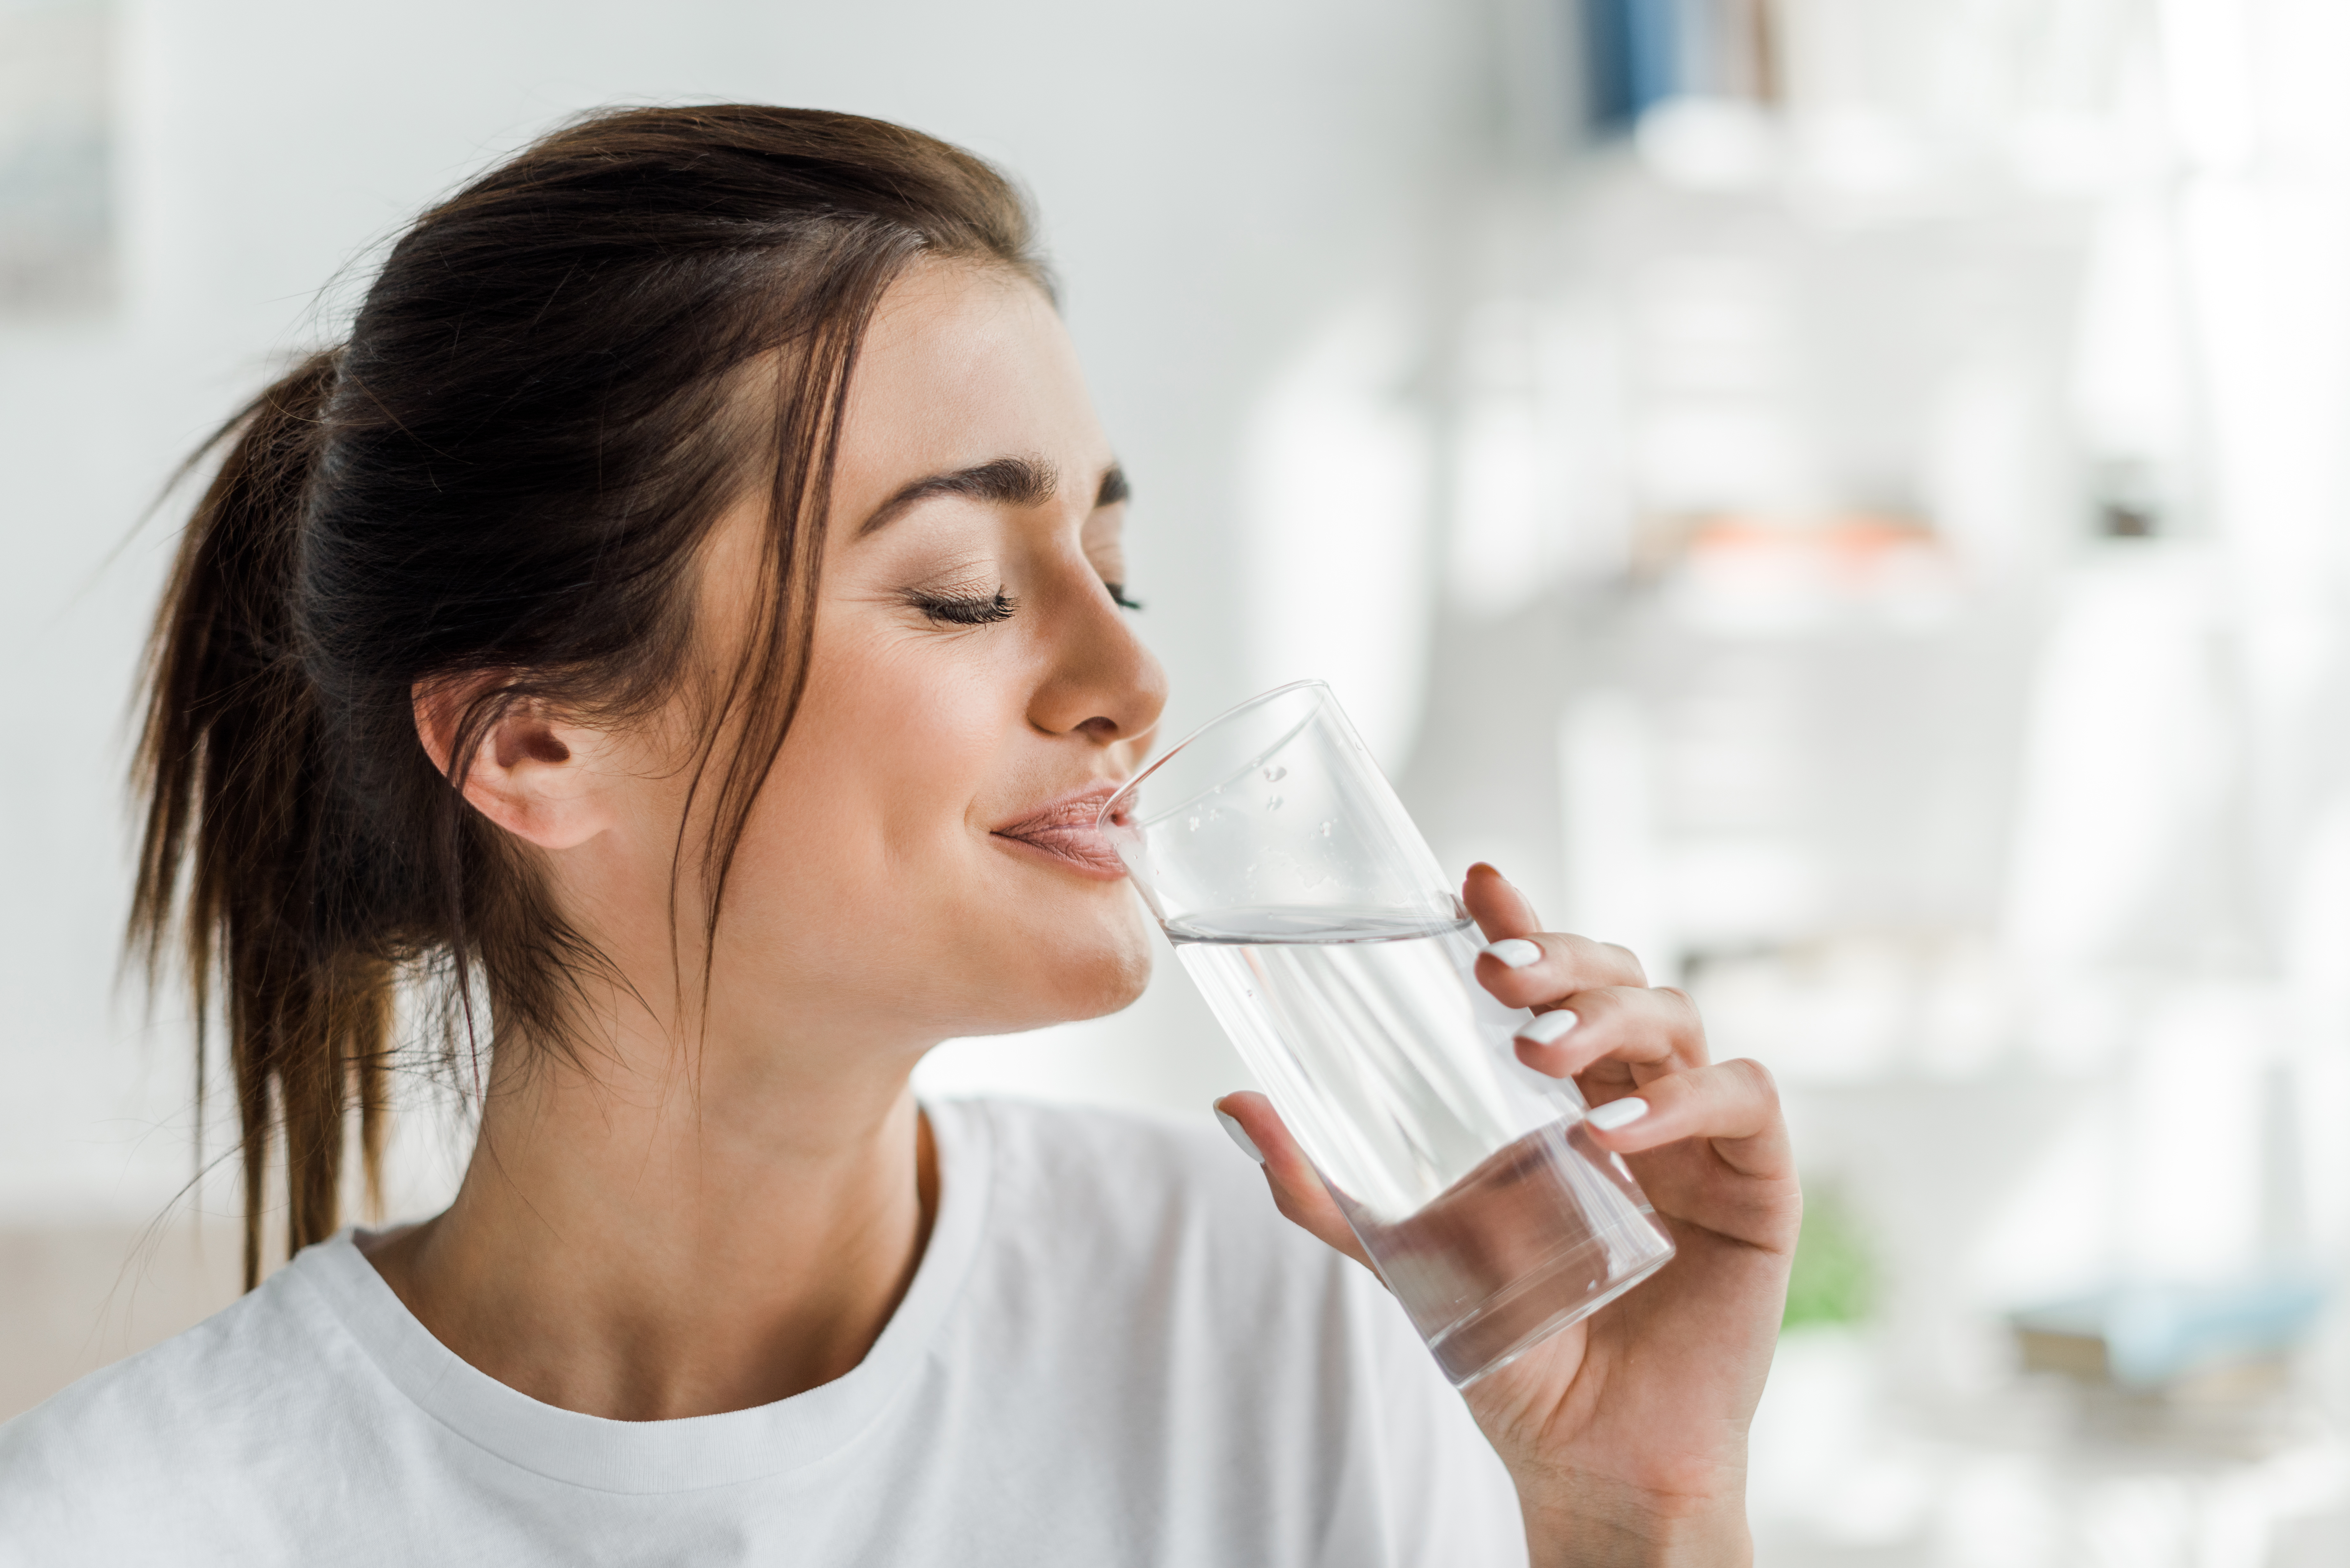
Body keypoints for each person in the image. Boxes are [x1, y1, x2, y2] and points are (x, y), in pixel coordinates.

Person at [0, 106, 1798, 1566]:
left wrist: (1634, 1506)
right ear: (537, 743)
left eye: (1115, 563)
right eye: (959, 591)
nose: (1130, 674)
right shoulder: (128, 1526)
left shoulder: (1296, 1316)